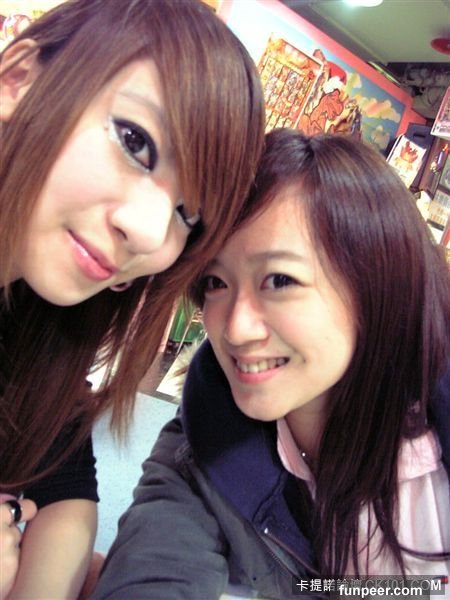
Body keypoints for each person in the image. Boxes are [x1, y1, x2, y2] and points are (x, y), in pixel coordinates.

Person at [92, 129, 450, 599]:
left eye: (280, 279)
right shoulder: (209, 437)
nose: (235, 329)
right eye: (215, 282)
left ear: (377, 287)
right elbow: (156, 567)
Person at [0, 0, 265, 597]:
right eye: (135, 142)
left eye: (187, 215)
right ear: (18, 80)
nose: (148, 232)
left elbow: (63, 480)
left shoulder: (38, 322)